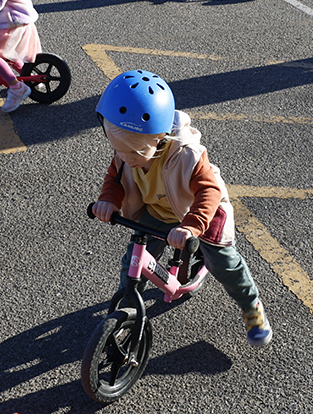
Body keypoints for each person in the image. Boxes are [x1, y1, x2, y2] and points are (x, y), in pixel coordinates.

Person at [92, 70, 273, 347]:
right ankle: (127, 308)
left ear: (160, 139)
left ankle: (251, 306)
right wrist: (108, 200)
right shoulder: (127, 152)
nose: (126, 159)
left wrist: (191, 225)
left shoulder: (187, 155)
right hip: (160, 211)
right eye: (118, 150)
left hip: (200, 211)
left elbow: (209, 192)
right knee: (135, 259)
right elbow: (114, 180)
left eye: (134, 154)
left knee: (223, 263)